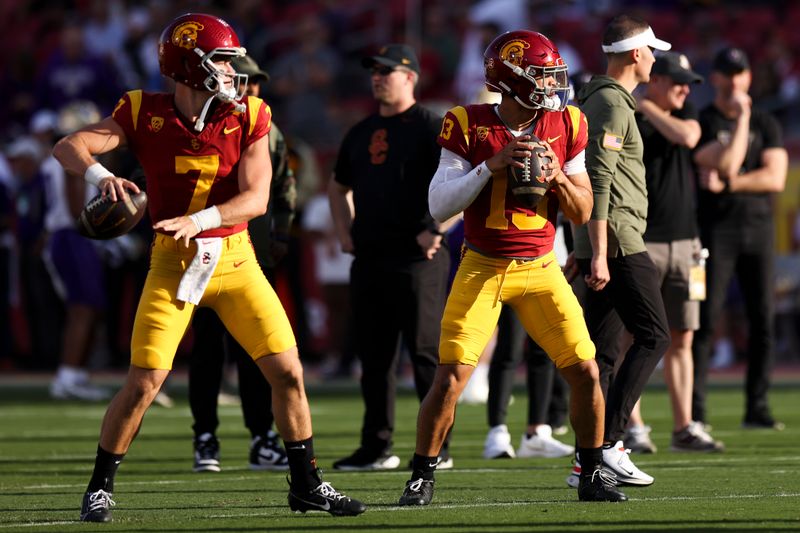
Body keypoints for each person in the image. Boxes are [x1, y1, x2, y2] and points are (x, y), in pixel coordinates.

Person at [52, 13, 365, 522]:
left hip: (235, 258)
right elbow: (70, 144)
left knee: (288, 372)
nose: (231, 70)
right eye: (220, 60)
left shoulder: (250, 113)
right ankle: (99, 486)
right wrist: (102, 177)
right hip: (173, 265)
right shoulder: (141, 111)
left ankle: (307, 484)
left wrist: (198, 220)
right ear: (187, 66)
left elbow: (258, 197)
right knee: (144, 383)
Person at [397, 30, 627, 506]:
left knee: (584, 371)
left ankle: (591, 470)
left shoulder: (569, 123)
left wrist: (559, 176)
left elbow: (583, 211)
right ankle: (422, 474)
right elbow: (440, 206)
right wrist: (491, 165)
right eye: (541, 76)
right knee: (451, 378)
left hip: (540, 266)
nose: (551, 85)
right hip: (483, 266)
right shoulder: (468, 122)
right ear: (510, 79)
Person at [329, 43, 457, 471]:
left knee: (424, 355)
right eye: (375, 71)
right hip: (370, 257)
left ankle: (437, 446)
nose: (378, 77)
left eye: (387, 70)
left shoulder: (432, 126)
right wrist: (345, 233)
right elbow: (337, 186)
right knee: (375, 358)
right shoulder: (361, 130)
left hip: (418, 258)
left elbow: (464, 187)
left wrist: (437, 228)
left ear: (410, 77)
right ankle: (375, 445)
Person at [571, 15, 672, 487]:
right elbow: (599, 179)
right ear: (635, 53)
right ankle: (609, 443)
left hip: (604, 242)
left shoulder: (601, 100)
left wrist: (583, 245)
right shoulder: (612, 104)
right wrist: (596, 250)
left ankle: (586, 462)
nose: (655, 59)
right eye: (652, 50)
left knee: (606, 354)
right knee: (654, 336)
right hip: (618, 242)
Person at [188, 54, 296, 473]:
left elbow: (285, 186)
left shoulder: (268, 129)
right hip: (205, 249)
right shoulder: (203, 124)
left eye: (254, 83)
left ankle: (261, 436)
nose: (249, 89)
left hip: (254, 253)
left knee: (258, 352)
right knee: (207, 350)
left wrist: (282, 235)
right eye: (243, 81)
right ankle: (205, 436)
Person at [627, 51, 724, 453]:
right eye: (679, 80)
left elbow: (688, 138)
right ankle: (632, 424)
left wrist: (647, 104)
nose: (686, 88)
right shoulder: (629, 119)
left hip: (685, 241)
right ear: (659, 79)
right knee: (635, 336)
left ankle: (684, 426)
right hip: (642, 239)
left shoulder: (679, 116)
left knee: (683, 337)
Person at [691, 47, 788, 431]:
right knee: (706, 319)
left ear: (749, 76)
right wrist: (742, 120)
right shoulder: (706, 120)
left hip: (758, 229)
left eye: (741, 72)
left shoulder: (767, 122)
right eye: (728, 73)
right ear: (715, 77)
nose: (735, 80)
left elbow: (774, 178)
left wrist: (730, 183)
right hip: (716, 229)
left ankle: (758, 407)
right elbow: (725, 159)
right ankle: (695, 411)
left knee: (762, 317)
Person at [42, 102, 111, 401]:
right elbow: (75, 211)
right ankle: (68, 375)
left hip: (71, 237)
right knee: (82, 308)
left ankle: (76, 373)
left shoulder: (56, 158)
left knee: (88, 307)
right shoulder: (71, 160)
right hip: (73, 236)